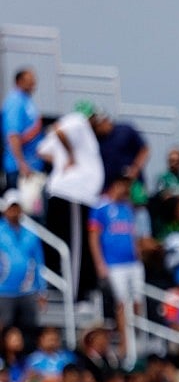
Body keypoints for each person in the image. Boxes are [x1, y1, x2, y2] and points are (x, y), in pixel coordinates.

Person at [37, 100, 105, 301]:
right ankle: (74, 295)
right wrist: (70, 157)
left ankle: (69, 289)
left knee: (66, 243)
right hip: (74, 194)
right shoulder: (78, 121)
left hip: (67, 193)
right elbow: (58, 129)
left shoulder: (77, 132)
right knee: (76, 247)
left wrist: (60, 160)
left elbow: (42, 150)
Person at [88, 173, 144, 359]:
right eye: (123, 185)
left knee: (137, 302)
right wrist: (99, 264)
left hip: (132, 263)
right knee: (122, 303)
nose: (126, 189)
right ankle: (125, 345)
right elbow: (94, 236)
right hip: (114, 263)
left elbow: (132, 233)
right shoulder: (101, 207)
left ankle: (136, 339)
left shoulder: (127, 208)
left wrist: (138, 254)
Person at [0, 190, 45, 341]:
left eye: (16, 207)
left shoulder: (31, 233)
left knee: (30, 330)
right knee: (5, 330)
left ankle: (26, 360)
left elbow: (39, 262)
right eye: (11, 207)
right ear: (5, 208)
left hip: (28, 289)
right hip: (3, 290)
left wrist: (41, 290)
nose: (14, 211)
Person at [2, 68, 43, 191]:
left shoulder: (26, 100)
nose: (33, 85)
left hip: (33, 166)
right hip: (20, 169)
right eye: (30, 81)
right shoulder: (15, 101)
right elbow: (13, 135)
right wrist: (21, 163)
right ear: (19, 81)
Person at [92, 110, 148, 191]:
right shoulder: (96, 140)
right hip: (109, 188)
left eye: (96, 126)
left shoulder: (125, 130)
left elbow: (144, 149)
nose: (95, 130)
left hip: (133, 184)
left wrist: (135, 168)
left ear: (104, 121)